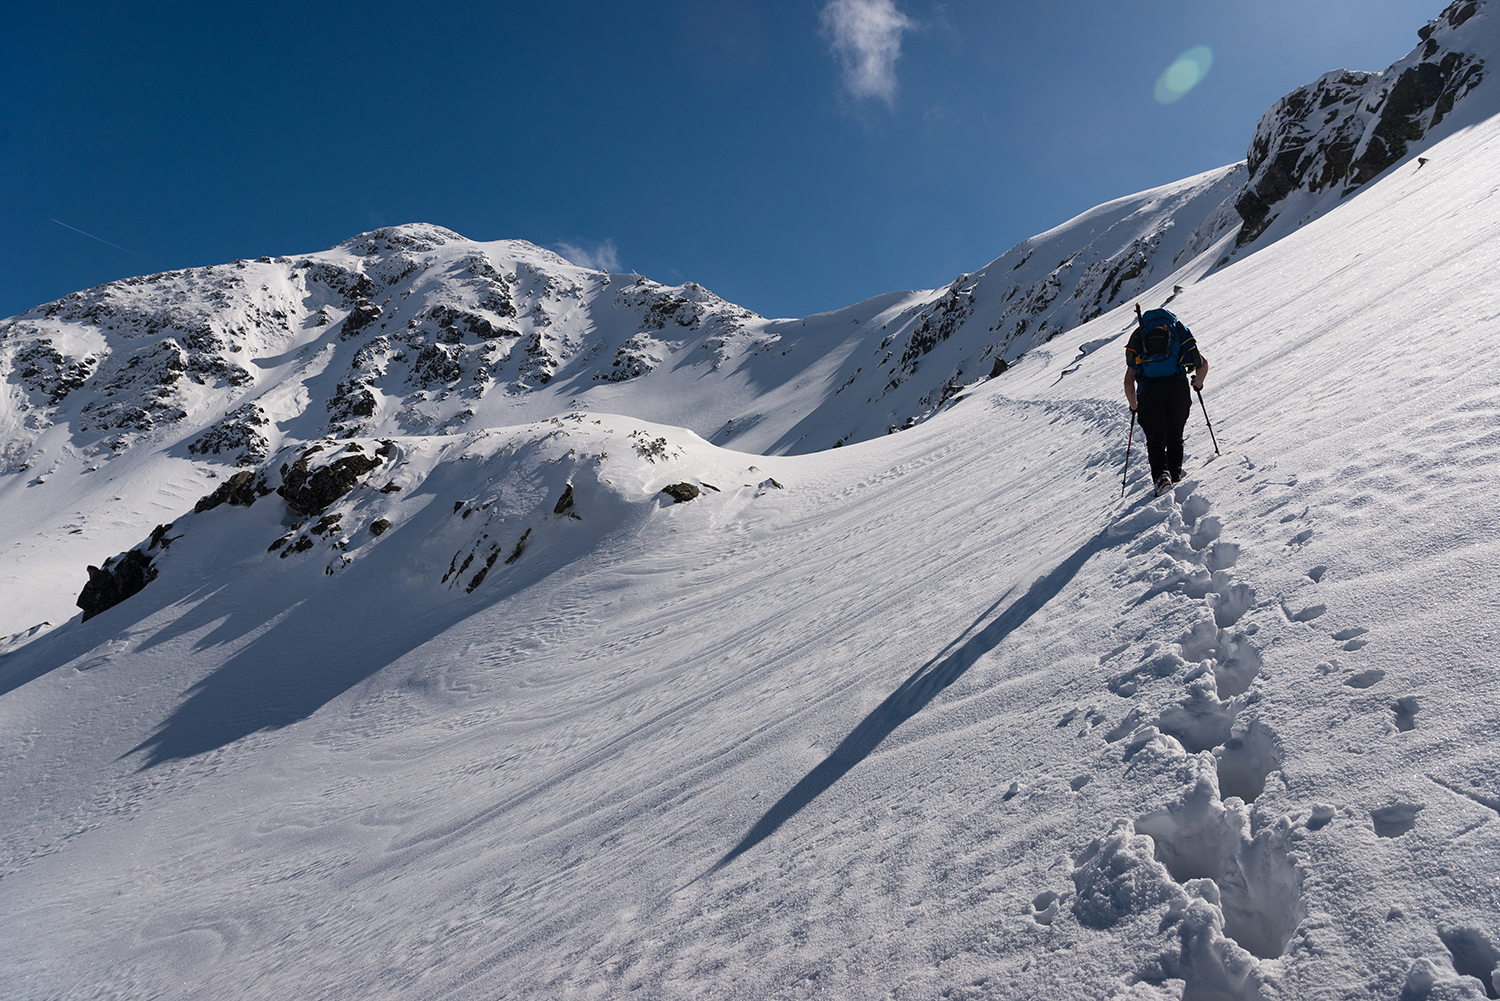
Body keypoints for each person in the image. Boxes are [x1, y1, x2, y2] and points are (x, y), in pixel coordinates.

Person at [1123, 305, 1208, 496]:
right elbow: (1202, 363)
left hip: (1148, 391)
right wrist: (1198, 383)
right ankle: (1175, 474)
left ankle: (1162, 478)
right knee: (1175, 433)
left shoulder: (1140, 334)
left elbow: (1129, 379)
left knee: (1155, 438)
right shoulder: (1177, 330)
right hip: (1177, 388)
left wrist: (1134, 405)